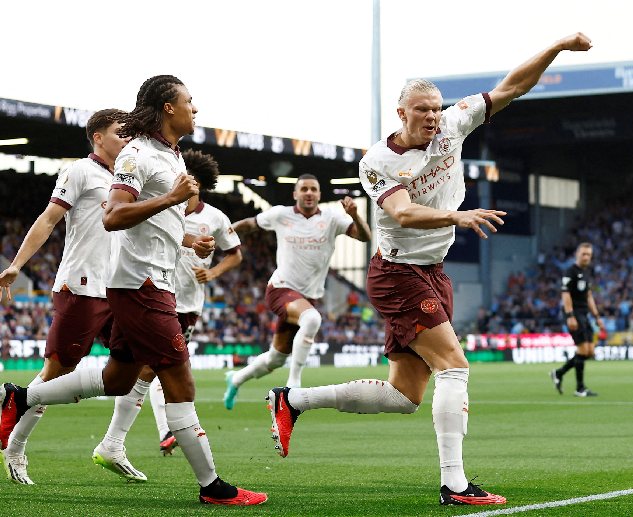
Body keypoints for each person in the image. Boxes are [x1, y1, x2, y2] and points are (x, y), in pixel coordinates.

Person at [264, 33, 593, 507]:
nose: (433, 116)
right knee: (454, 366)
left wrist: (558, 46)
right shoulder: (379, 161)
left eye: (436, 108)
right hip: (397, 274)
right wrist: (457, 216)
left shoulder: (453, 126)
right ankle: (455, 484)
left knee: (404, 395)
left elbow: (511, 88)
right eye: (423, 110)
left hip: (432, 272)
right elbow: (401, 213)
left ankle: (292, 401)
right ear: (402, 114)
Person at [0, 75, 266, 505]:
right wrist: (170, 199)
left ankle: (21, 396)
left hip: (145, 282)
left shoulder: (170, 155)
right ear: (167, 107)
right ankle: (213, 487)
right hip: (140, 286)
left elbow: (155, 222)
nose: (195, 109)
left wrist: (188, 238)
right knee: (179, 381)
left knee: (119, 378)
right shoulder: (137, 155)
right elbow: (113, 216)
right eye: (188, 101)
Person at [0, 109, 131, 485]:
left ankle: (113, 443)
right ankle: (16, 446)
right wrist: (17, 265)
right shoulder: (79, 172)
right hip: (82, 286)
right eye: (119, 132)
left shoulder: (127, 179)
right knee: (57, 374)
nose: (126, 138)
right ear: (97, 138)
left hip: (120, 289)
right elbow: (48, 219)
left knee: (142, 362)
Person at [223, 174, 371, 409]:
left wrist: (354, 215)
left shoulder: (332, 219)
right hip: (281, 289)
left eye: (313, 189)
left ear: (320, 195)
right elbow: (251, 224)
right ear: (296, 194)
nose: (309, 193)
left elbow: (365, 237)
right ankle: (294, 386)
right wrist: (224, 236)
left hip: (307, 296)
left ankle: (236, 379)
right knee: (312, 318)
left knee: (276, 358)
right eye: (304, 189)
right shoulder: (281, 214)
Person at [145, 149, 242, 455]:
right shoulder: (163, 208)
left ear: (198, 184)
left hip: (188, 305)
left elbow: (235, 254)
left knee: (156, 368)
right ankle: (163, 431)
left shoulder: (214, 218)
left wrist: (212, 273)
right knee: (158, 366)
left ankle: (155, 433)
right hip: (156, 295)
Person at [550, 242, 603, 397]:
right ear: (577, 255)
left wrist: (597, 317)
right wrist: (570, 316)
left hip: (585, 314)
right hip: (575, 313)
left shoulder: (586, 272)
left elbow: (588, 296)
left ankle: (559, 373)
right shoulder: (570, 272)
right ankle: (580, 388)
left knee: (589, 351)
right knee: (582, 350)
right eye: (583, 254)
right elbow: (565, 295)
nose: (586, 257)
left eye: (589, 255)